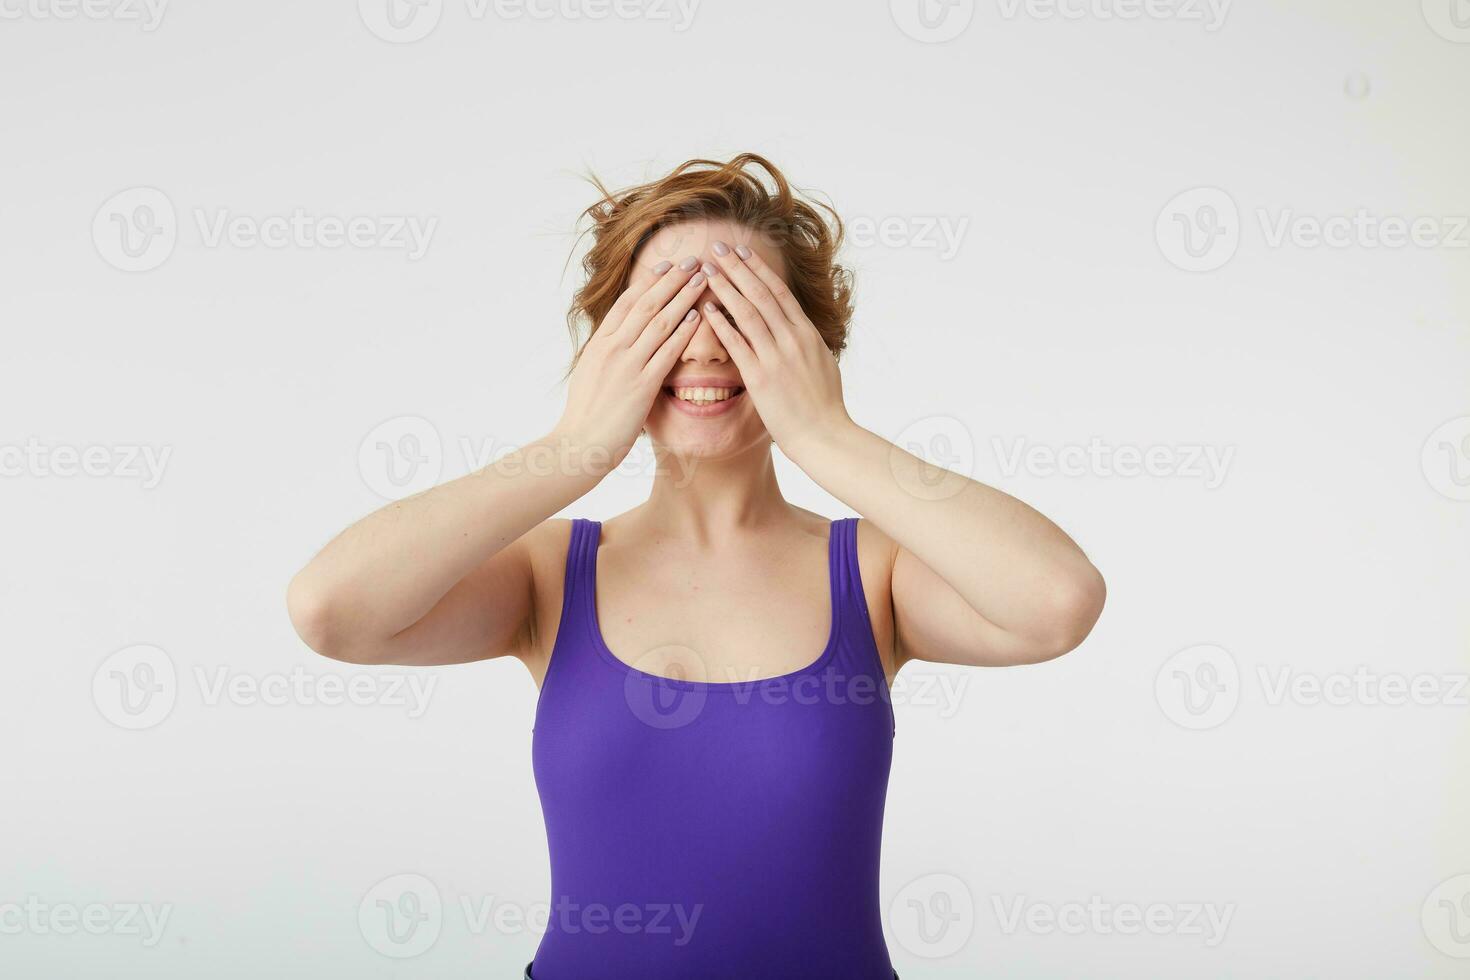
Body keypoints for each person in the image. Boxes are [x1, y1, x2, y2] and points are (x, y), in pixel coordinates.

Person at [287, 153, 1106, 979]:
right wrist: (571, 450)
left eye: (746, 310)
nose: (707, 342)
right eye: (668, 309)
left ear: (808, 340)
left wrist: (825, 432)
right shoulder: (548, 574)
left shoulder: (874, 573)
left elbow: (1058, 602)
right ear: (612, 343)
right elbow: (332, 611)